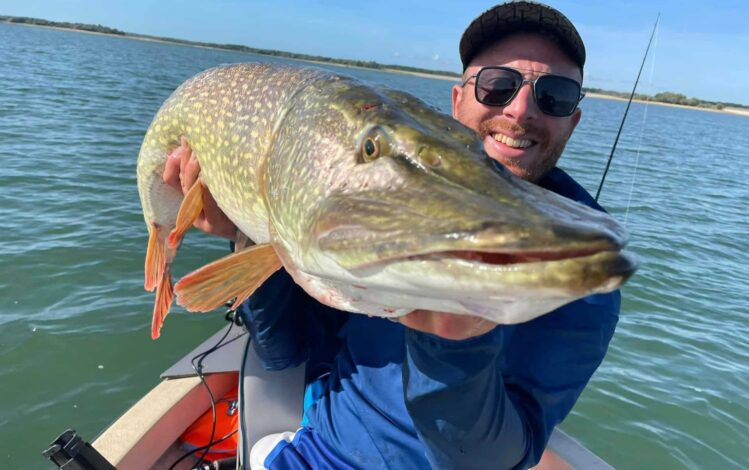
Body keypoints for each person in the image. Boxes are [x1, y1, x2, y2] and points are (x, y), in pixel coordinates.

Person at [163, 2, 621, 468]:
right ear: (458, 99)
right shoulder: (367, 204)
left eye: (555, 96)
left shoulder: (575, 266)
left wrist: (456, 341)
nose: (521, 110)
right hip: (316, 455)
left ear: (572, 121)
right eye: (498, 85)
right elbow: (289, 352)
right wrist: (245, 238)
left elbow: (490, 460)